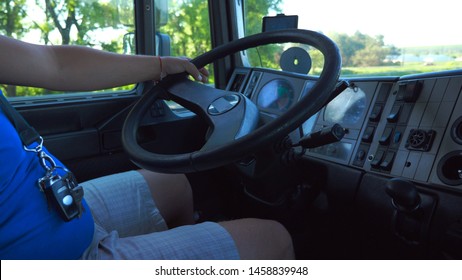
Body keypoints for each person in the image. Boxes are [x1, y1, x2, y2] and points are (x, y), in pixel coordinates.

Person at [0, 35, 294, 260]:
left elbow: (55, 63)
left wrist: (161, 65)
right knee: (274, 240)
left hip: (57, 203)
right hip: (56, 255)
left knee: (173, 183)